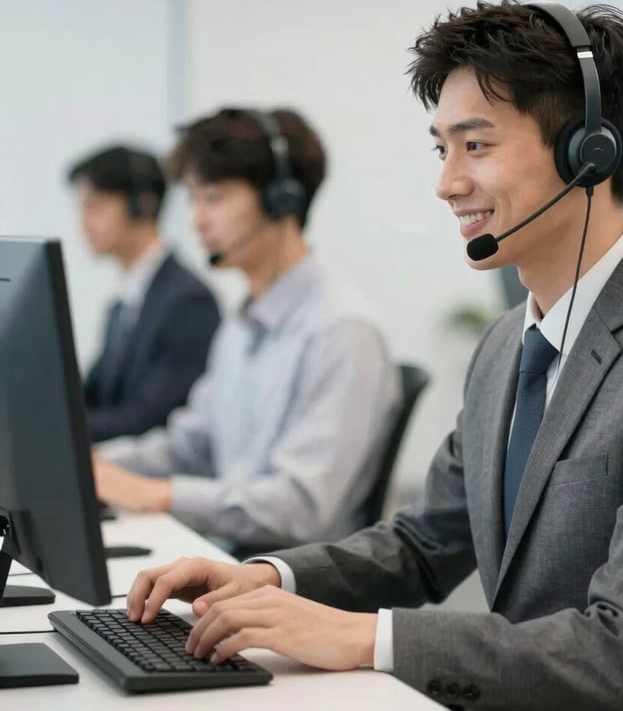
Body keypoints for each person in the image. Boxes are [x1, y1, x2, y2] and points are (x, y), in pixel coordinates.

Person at [125, 2, 623, 710]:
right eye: (442, 148)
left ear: (589, 152)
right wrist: (273, 578)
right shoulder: (505, 345)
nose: (447, 183)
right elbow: (424, 542)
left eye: (477, 146)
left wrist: (367, 639)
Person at [92, 108, 400, 554]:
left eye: (213, 197)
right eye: (193, 200)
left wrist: (161, 494)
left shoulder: (341, 332)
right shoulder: (241, 324)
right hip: (226, 556)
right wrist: (91, 466)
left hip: (290, 583)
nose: (197, 220)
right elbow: (191, 444)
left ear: (282, 199)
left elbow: (301, 506)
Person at [69, 145, 220, 443]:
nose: (84, 223)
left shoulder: (188, 301)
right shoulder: (122, 304)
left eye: (95, 206)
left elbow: (149, 419)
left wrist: (59, 430)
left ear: (142, 205)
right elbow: (90, 396)